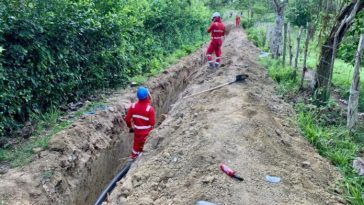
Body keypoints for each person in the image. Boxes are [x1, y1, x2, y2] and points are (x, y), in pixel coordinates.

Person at [124, 86, 155, 160]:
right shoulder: (149, 109)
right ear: (147, 95)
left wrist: (130, 127)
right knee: (144, 147)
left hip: (137, 132)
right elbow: (152, 123)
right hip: (147, 134)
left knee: (136, 146)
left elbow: (127, 119)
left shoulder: (133, 106)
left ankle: (133, 158)